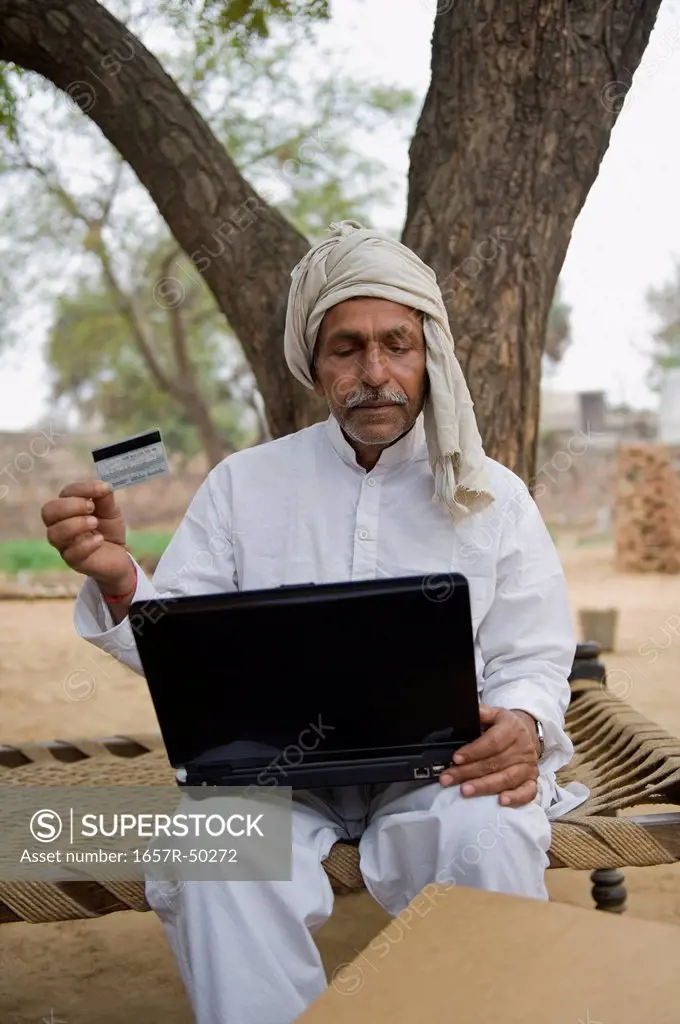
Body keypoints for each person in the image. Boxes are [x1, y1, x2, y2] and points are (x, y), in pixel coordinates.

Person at [41, 221, 587, 1024]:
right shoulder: (243, 486)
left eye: (397, 344)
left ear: (428, 354)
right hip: (273, 780)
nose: (375, 373)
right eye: (347, 349)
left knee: (491, 839)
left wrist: (526, 724)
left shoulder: (495, 496)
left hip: (438, 775)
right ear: (315, 364)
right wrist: (124, 581)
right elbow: (182, 648)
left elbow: (535, 656)